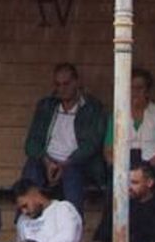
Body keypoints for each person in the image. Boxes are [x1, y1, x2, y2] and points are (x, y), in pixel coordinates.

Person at [22, 63, 106, 212]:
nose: (62, 89)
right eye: (58, 84)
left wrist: (66, 164)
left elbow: (93, 143)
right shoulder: (46, 106)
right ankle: (26, 222)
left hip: (77, 162)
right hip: (48, 162)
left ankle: (74, 224)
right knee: (32, 168)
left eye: (66, 84)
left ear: (77, 82)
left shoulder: (92, 107)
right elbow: (31, 142)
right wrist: (47, 162)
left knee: (72, 173)